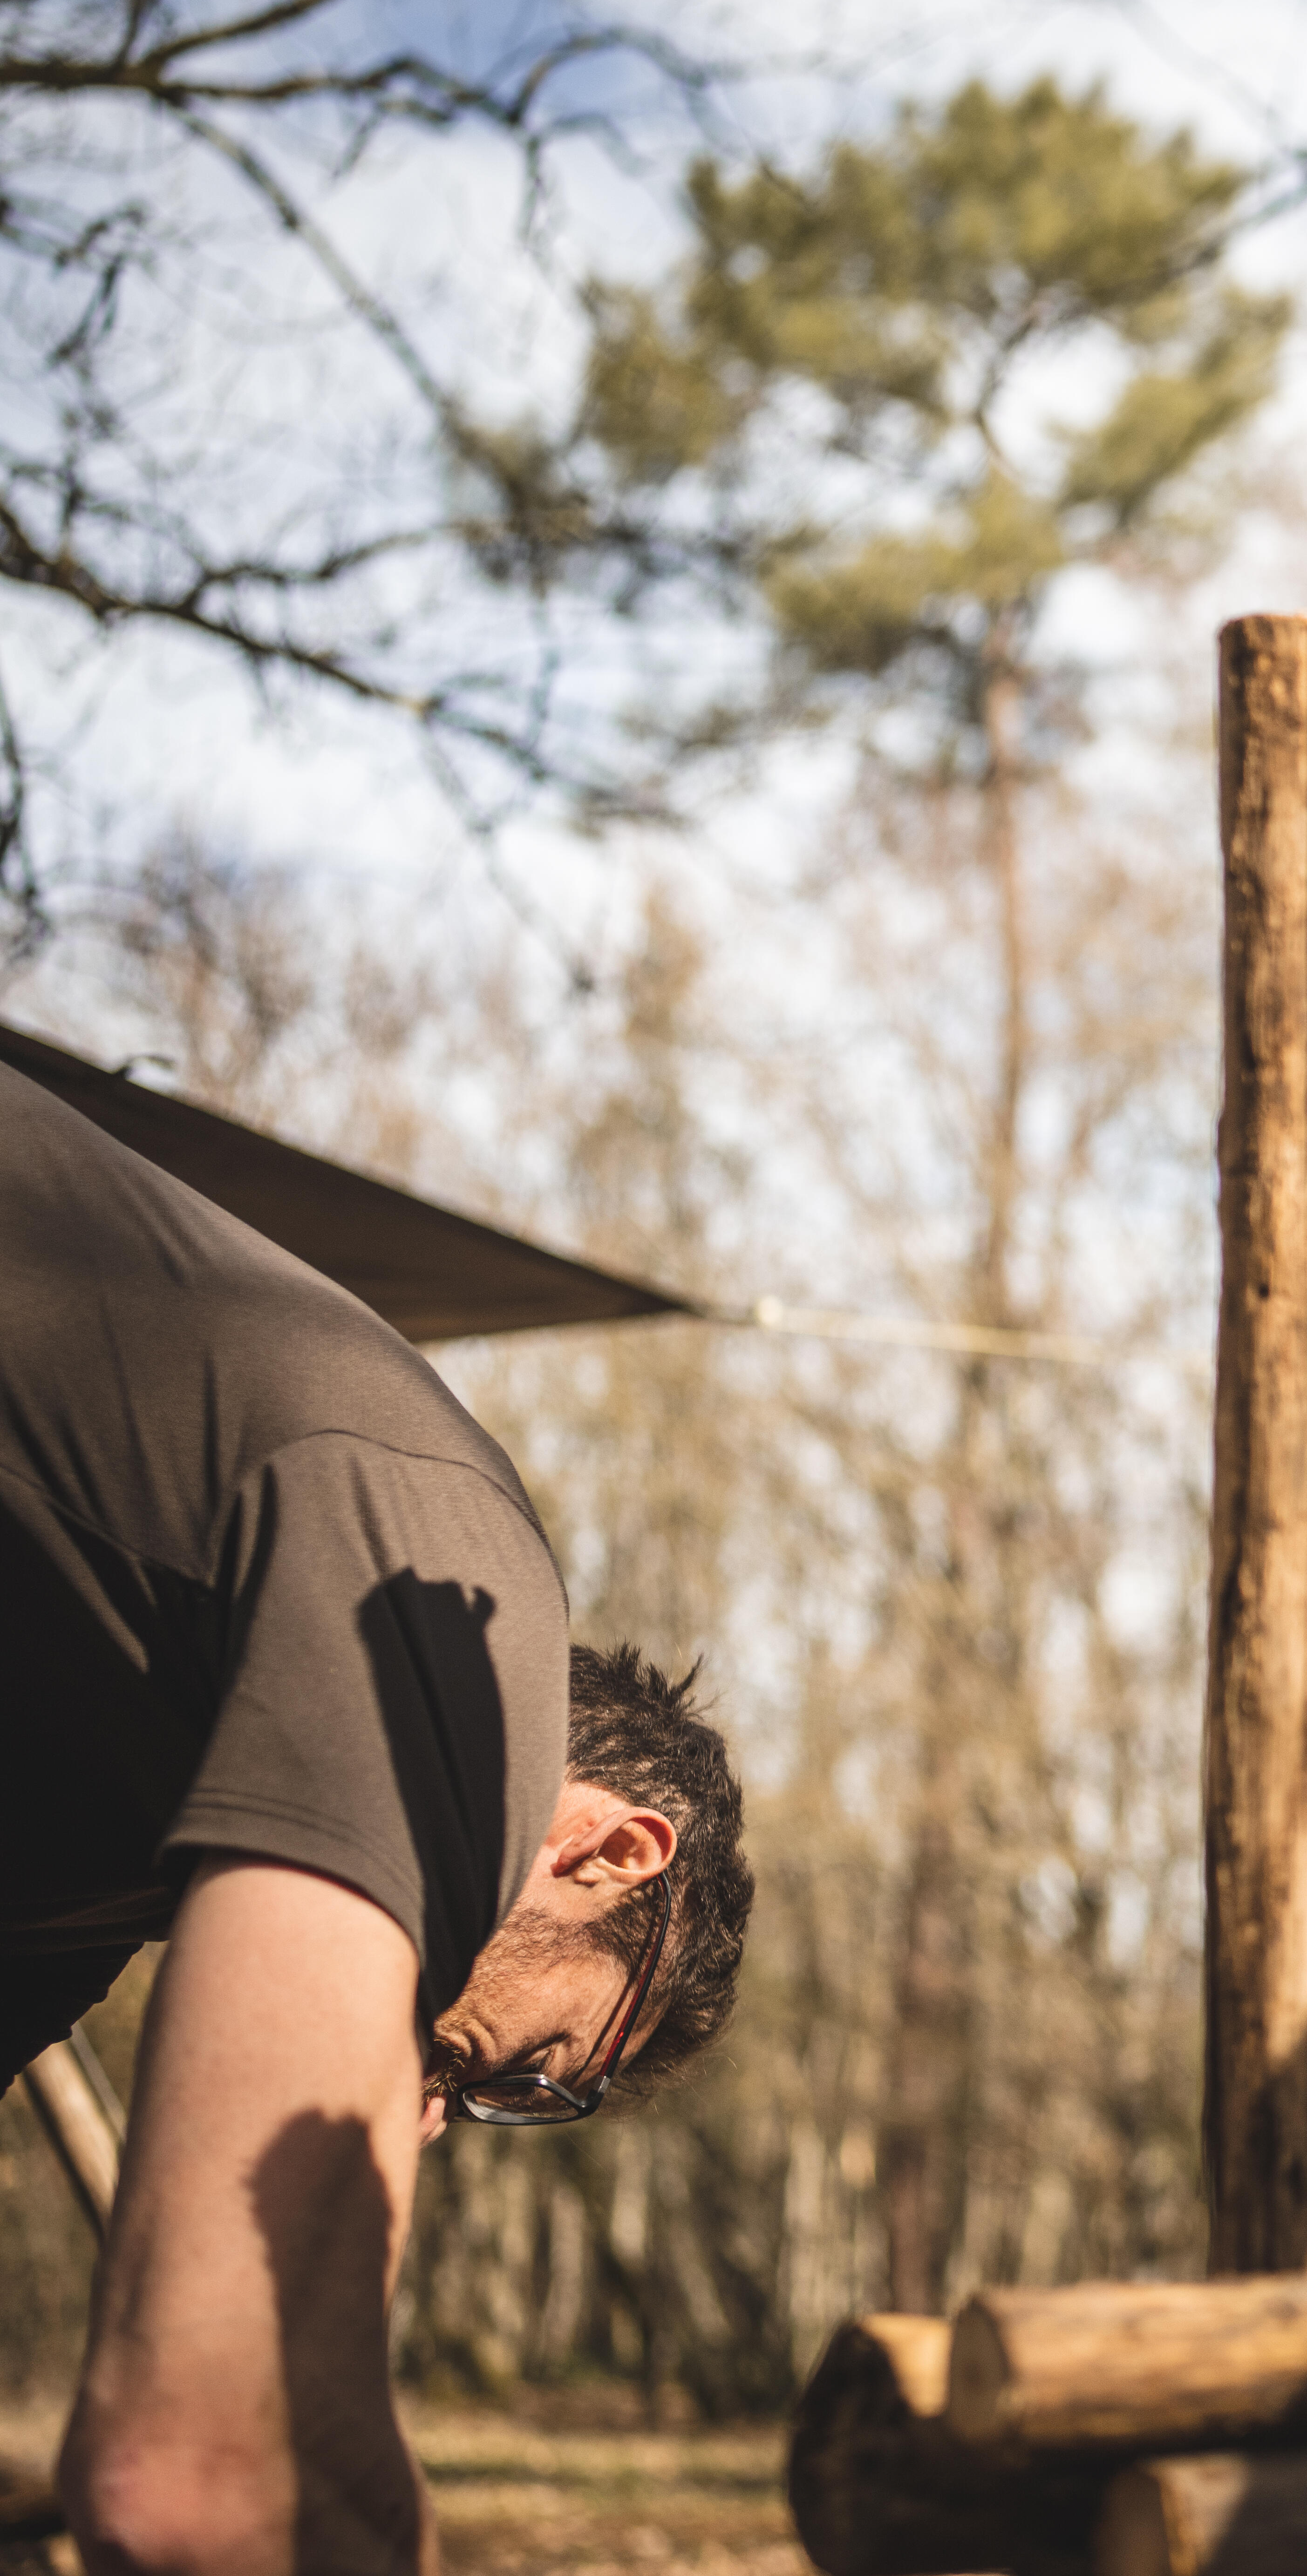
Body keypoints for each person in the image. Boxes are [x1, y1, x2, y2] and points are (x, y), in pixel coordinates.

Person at [1, 1058, 756, 2574]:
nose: (451, 2107)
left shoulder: (111, 1846)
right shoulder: (469, 1629)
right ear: (611, 1848)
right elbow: (200, 2468)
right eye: (532, 2068)